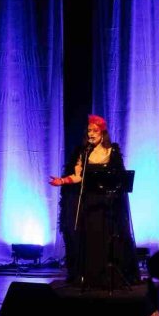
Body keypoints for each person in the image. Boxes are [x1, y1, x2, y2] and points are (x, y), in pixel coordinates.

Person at [49, 114, 139, 288]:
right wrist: (61, 181)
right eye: (88, 130)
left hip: (107, 204)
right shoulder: (84, 152)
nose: (90, 133)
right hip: (89, 203)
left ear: (102, 132)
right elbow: (77, 177)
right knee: (88, 238)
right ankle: (89, 276)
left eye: (94, 130)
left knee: (105, 238)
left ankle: (107, 276)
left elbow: (119, 177)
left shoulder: (111, 151)